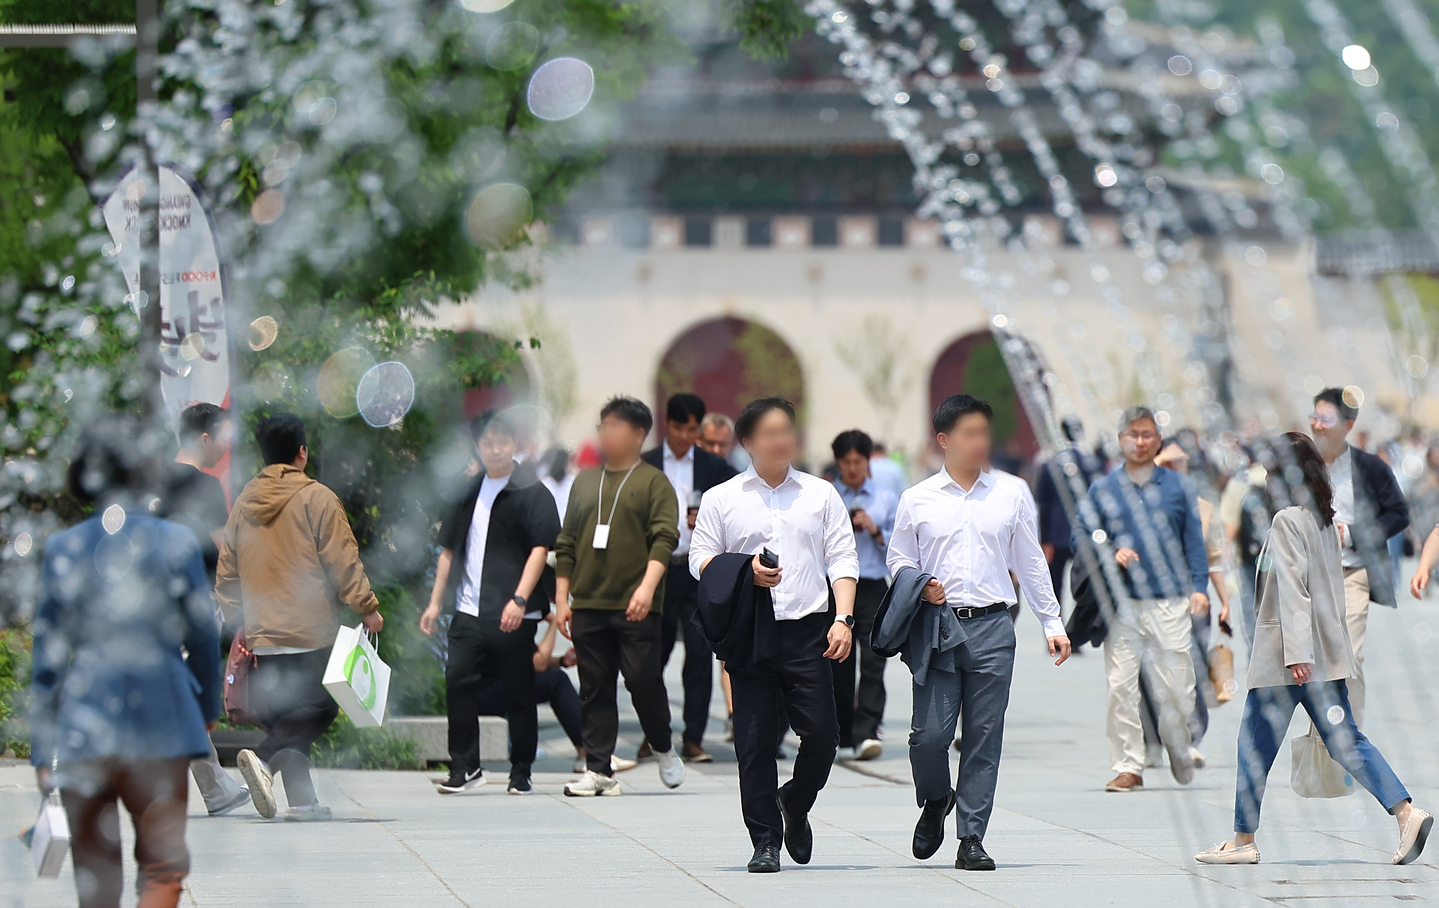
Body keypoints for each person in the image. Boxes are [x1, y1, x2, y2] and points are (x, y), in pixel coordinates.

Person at [1195, 433, 1432, 866]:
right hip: (1322, 655)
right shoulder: (1322, 518)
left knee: (1253, 744)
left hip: (1289, 658)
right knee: (1347, 742)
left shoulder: (1287, 519)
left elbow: (1293, 591)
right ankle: (1405, 812)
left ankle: (1243, 840)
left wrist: (1296, 654)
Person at [30, 415, 221, 908]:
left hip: (84, 727)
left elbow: (48, 658)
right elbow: (203, 635)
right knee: (162, 868)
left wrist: (41, 747)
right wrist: (205, 706)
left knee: (97, 881)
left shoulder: (63, 548)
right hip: (162, 722)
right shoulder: (177, 542)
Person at [886, 394, 1071, 872]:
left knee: (983, 738)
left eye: (984, 433)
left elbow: (1030, 562)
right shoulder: (917, 499)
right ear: (944, 440)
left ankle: (972, 837)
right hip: (937, 630)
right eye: (968, 434)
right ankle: (934, 800)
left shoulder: (1010, 494)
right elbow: (898, 559)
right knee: (928, 738)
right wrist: (921, 583)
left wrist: (1051, 620)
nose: (978, 442)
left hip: (993, 627)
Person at [691, 397, 861, 873]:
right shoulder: (721, 498)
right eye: (770, 432)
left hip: (810, 631)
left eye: (787, 429)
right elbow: (698, 559)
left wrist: (843, 619)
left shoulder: (821, 494)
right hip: (751, 633)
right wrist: (746, 571)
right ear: (748, 442)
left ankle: (796, 800)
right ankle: (764, 840)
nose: (781, 440)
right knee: (755, 742)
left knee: (824, 736)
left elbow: (844, 560)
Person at [217, 413, 384, 822]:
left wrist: (237, 616)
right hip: (308, 627)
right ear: (302, 452)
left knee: (289, 714)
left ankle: (304, 803)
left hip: (262, 631)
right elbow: (342, 560)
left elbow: (226, 570)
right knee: (322, 707)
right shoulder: (318, 498)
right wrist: (367, 606)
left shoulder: (243, 504)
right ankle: (263, 760)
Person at [420, 411, 560, 796]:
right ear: (478, 446)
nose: (495, 449)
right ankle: (465, 765)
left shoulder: (532, 490)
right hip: (468, 609)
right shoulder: (467, 491)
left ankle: (521, 770)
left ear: (514, 444)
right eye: (487, 442)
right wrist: (435, 604)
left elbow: (540, 548)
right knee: (457, 682)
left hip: (514, 612)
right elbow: (448, 550)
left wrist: (519, 599)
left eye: (502, 441)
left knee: (519, 691)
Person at [554, 396, 684, 796]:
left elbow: (665, 539)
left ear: (638, 434)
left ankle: (662, 745)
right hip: (589, 603)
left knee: (643, 682)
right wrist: (562, 599)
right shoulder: (584, 481)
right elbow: (567, 542)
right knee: (593, 687)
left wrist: (647, 588)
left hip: (636, 604)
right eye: (602, 426)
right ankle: (599, 769)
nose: (605, 433)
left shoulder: (655, 482)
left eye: (614, 426)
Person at [1080, 406, 1208, 793]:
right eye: (1132, 434)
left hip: (1170, 601)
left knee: (1179, 685)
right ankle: (1128, 765)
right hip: (1123, 605)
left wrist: (1199, 586)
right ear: (1120, 440)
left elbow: (1193, 541)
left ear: (1159, 440)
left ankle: (1176, 739)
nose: (1139, 441)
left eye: (1147, 434)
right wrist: (1110, 549)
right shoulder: (1103, 489)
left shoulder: (1179, 487)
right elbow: (1083, 535)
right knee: (1121, 686)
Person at [154, 403, 251, 817]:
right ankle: (210, 790)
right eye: (223, 437)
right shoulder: (205, 486)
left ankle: (212, 789)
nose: (226, 447)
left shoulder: (152, 479)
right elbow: (224, 550)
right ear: (205, 437)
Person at [637, 392, 737, 763]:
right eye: (679, 428)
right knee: (651, 656)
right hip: (656, 571)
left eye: (691, 430)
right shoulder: (644, 464)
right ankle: (654, 734)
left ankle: (693, 737)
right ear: (668, 426)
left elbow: (735, 513)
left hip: (699, 572)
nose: (684, 437)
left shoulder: (715, 468)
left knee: (699, 655)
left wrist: (708, 523)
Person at [1309, 388, 1409, 728]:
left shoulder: (1368, 468)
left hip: (1353, 572)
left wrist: (1351, 533)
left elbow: (1398, 513)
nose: (1317, 425)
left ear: (1348, 425)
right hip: (1309, 577)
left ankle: (1351, 740)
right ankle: (1321, 740)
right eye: (1315, 417)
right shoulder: (1299, 467)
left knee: (1348, 656)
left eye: (1326, 418)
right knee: (1314, 660)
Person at [1152, 434, 1232, 766]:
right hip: (1153, 601)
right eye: (1167, 463)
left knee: (1195, 669)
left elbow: (1214, 559)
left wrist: (1225, 600)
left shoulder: (1204, 509)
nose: (1176, 469)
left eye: (1180, 462)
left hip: (1195, 602)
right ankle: (1155, 739)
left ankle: (1191, 737)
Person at [829, 428, 896, 761]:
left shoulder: (884, 498)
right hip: (840, 588)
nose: (852, 468)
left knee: (874, 662)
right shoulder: (827, 496)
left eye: (858, 461)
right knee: (839, 662)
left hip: (873, 586)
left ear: (868, 461)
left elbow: (901, 547)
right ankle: (844, 730)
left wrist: (875, 529)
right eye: (846, 462)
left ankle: (868, 730)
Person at [1034, 417, 1104, 602]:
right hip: (1083, 532)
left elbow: (1044, 503)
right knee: (1086, 583)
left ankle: (1055, 626)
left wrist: (1044, 539)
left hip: (1055, 534)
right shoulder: (1090, 463)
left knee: (1055, 585)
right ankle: (1084, 627)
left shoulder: (1049, 464)